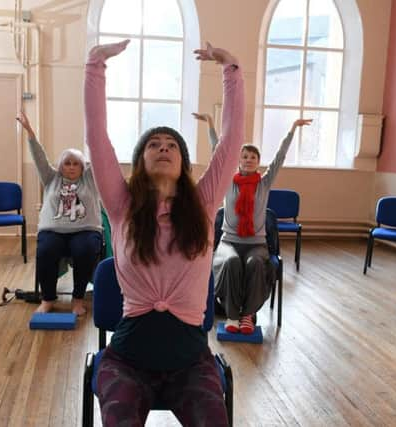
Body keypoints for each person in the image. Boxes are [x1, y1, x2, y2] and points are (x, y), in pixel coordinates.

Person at [84, 40, 243, 426]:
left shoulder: (203, 203)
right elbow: (97, 138)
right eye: (153, 144)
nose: (163, 148)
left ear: (184, 162)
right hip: (126, 362)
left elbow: (231, 141)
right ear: (140, 161)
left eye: (172, 145)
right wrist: (95, 67)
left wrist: (231, 69)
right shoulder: (121, 205)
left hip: (191, 363)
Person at [201, 113, 311, 334]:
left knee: (255, 264)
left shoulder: (264, 183)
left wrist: (292, 129)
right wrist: (210, 125)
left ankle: (247, 316)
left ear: (258, 161)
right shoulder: (228, 181)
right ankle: (232, 315)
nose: (249, 159)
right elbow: (217, 152)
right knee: (231, 262)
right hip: (229, 242)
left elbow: (280, 157)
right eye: (245, 156)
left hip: (256, 244)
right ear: (238, 160)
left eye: (253, 156)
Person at [16, 111, 102, 316]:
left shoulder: (89, 180)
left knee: (85, 250)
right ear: (60, 166)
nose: (71, 167)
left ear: (83, 167)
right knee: (46, 251)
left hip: (85, 230)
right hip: (53, 231)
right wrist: (30, 134)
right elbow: (39, 158)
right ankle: (47, 299)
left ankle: (78, 299)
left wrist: (97, 131)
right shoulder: (51, 178)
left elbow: (100, 156)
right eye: (67, 163)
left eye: (76, 164)